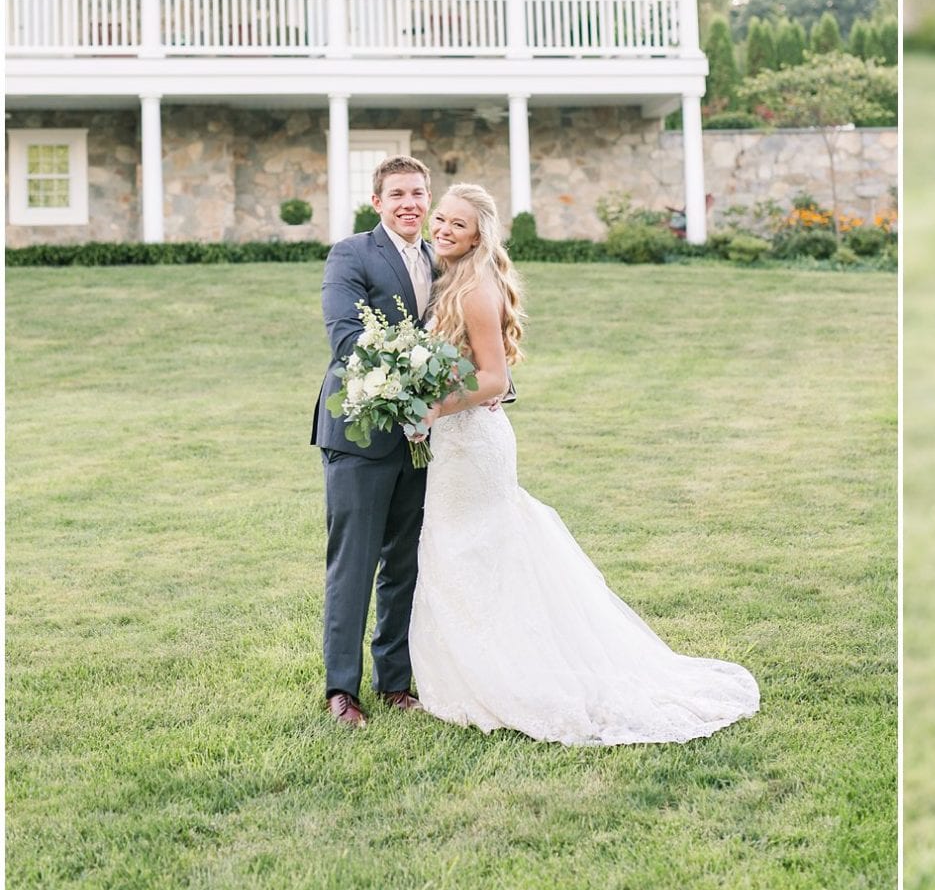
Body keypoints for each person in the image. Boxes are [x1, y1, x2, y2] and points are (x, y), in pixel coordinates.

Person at [405, 183, 760, 745]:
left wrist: (432, 410)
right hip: (462, 441)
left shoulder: (474, 288)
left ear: (478, 237)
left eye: (458, 226)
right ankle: (478, 667)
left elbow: (494, 379)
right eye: (441, 219)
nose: (443, 230)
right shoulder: (453, 278)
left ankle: (504, 675)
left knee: (468, 550)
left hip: (471, 443)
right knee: (468, 550)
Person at [312, 156, 438, 729]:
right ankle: (343, 690)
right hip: (361, 434)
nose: (409, 203)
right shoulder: (352, 254)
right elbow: (346, 338)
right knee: (354, 565)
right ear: (377, 202)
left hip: (423, 437)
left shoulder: (441, 258)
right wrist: (413, 378)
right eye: (397, 194)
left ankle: (395, 683)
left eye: (417, 192)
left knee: (405, 565)